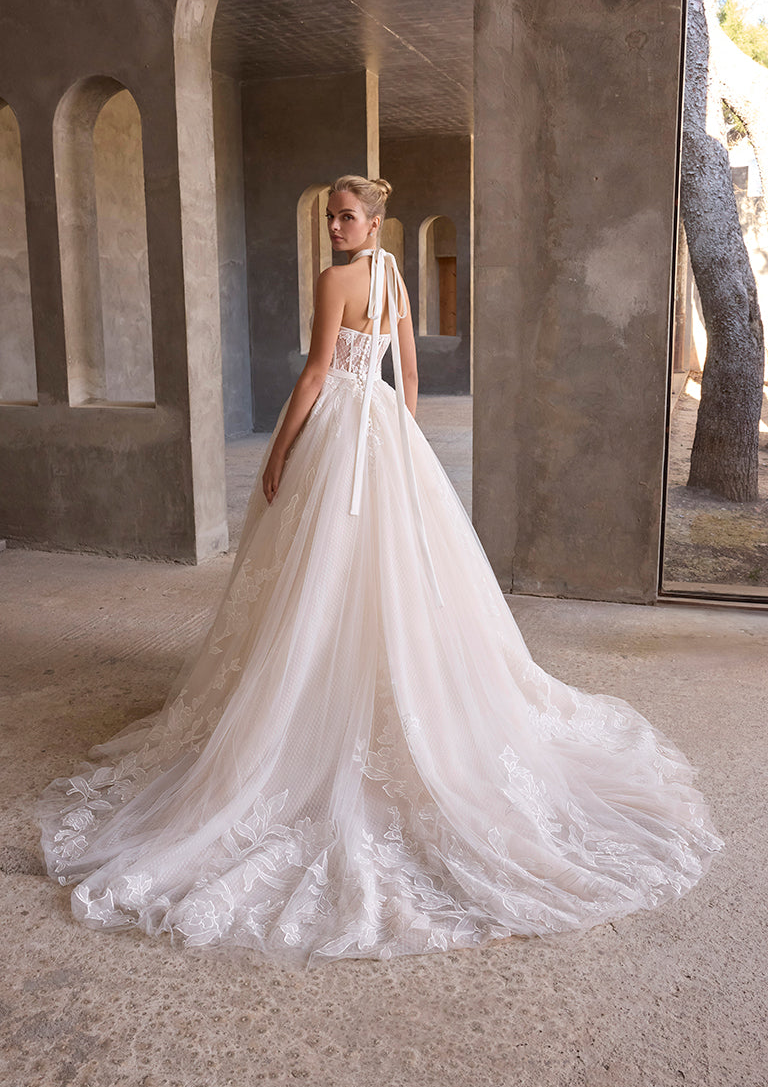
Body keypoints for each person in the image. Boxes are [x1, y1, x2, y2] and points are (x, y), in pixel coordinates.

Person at [39, 175, 723, 968]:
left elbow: (317, 372)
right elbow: (406, 373)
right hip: (385, 431)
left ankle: (317, 701)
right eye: (331, 215)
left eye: (347, 216)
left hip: (340, 430)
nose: (335, 226)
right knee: (380, 573)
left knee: (327, 568)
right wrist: (404, 430)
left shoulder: (336, 280)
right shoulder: (394, 272)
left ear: (373, 219)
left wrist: (281, 447)